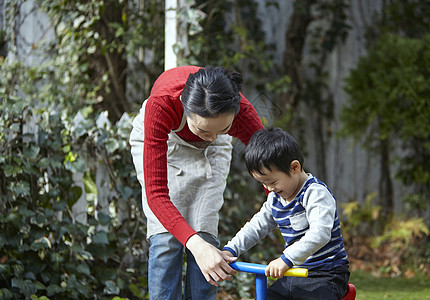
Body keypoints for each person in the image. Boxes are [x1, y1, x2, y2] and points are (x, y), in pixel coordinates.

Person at [129, 65, 264, 299]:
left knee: (205, 231)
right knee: (166, 239)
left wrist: (290, 216)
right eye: (204, 130)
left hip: (211, 152)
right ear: (184, 105)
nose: (211, 138)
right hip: (166, 142)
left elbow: (269, 164)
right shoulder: (162, 105)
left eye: (223, 128)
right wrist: (196, 246)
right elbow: (157, 196)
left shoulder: (238, 111)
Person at [222, 127, 350, 300]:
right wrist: (231, 249)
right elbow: (256, 226)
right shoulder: (275, 199)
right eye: (263, 183)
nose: (268, 188)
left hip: (326, 274)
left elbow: (320, 233)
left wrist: (286, 259)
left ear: (295, 167)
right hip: (294, 273)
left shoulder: (315, 194)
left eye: (272, 181)